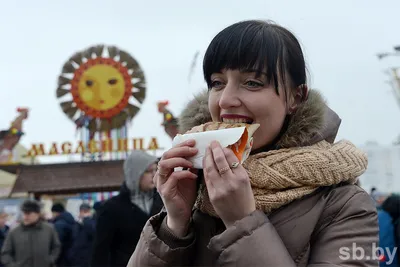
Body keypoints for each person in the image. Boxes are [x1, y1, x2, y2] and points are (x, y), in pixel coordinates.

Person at [128, 20, 379, 267]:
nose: (225, 100)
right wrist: (174, 224)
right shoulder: (195, 184)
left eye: (252, 83)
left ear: (296, 97)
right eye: (217, 82)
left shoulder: (345, 205)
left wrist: (242, 221)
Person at [91, 150, 164, 267]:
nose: (153, 175)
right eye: (148, 171)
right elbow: (101, 251)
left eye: (155, 170)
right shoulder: (112, 208)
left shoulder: (163, 201)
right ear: (135, 174)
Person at [1, 200, 60, 267]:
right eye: (24, 213)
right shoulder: (14, 232)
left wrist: (50, 260)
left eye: (28, 214)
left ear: (37, 214)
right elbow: (5, 254)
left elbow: (56, 247)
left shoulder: (49, 229)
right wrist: (13, 265)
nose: (25, 217)